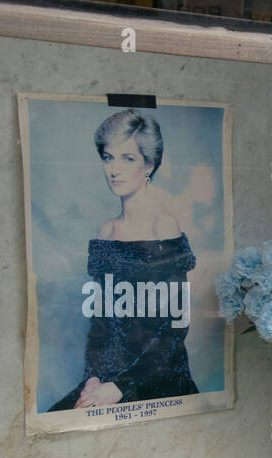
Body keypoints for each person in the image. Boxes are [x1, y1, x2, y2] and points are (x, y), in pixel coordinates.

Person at [48, 108, 199, 411]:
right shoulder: (106, 231)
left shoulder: (164, 227)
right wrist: (93, 379)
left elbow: (174, 328)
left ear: (149, 164)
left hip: (155, 376)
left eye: (127, 158)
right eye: (108, 157)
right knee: (59, 419)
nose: (114, 169)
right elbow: (100, 322)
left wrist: (119, 387)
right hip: (105, 377)